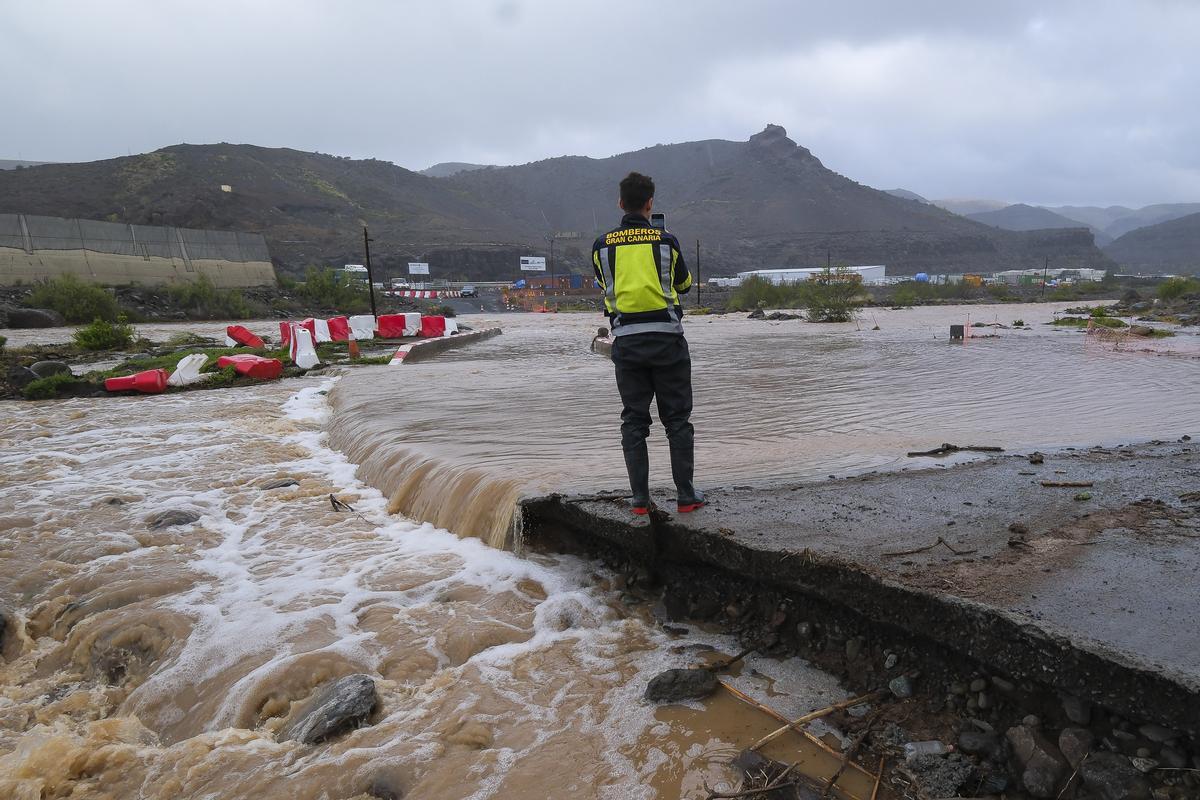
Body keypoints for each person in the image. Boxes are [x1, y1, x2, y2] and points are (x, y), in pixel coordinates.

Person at [591, 172, 703, 515]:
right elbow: (684, 285)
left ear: (620, 203)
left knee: (634, 422)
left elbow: (605, 285)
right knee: (677, 420)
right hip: (668, 341)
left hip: (627, 343)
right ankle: (686, 496)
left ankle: (640, 500)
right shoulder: (666, 241)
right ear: (650, 203)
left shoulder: (601, 246)